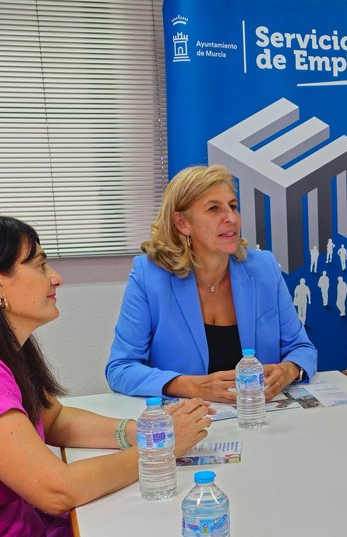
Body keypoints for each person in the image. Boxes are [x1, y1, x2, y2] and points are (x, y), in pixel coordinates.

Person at [0, 216, 213, 537]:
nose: (55, 278)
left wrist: (141, 431)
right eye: (40, 264)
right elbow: (57, 491)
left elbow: (54, 418)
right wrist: (160, 449)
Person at [106, 165, 317, 403]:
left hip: (259, 416)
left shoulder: (263, 268)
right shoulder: (150, 276)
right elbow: (120, 368)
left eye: (233, 206)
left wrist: (288, 370)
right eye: (214, 208)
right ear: (182, 224)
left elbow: (302, 349)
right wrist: (191, 385)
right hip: (189, 422)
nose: (231, 218)